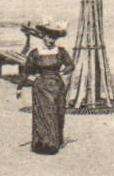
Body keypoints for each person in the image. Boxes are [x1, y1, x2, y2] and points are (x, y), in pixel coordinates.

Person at [18, 20, 74, 155]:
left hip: (57, 86)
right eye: (48, 37)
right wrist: (22, 85)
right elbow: (26, 70)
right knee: (42, 114)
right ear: (43, 36)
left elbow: (70, 65)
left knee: (56, 113)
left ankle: (54, 142)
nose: (51, 40)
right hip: (41, 87)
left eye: (54, 37)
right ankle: (41, 143)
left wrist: (63, 72)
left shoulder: (60, 52)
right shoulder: (36, 53)